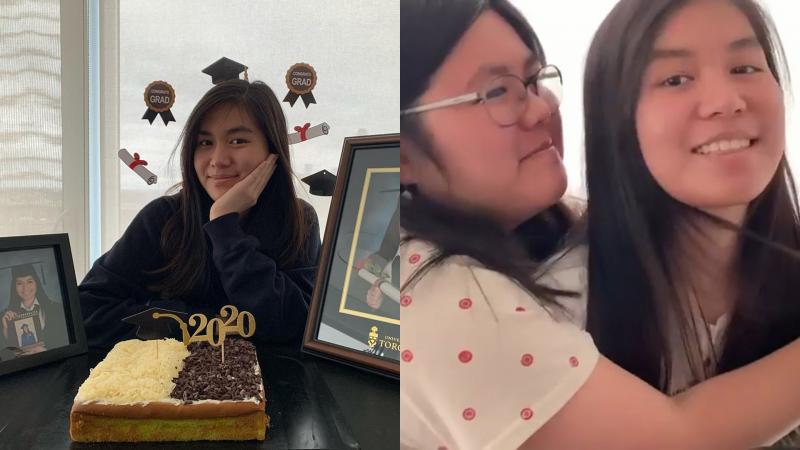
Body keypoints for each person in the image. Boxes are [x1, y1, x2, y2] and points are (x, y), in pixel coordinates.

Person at [400, 1, 800, 449]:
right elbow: (676, 439)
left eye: (534, 81)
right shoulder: (443, 296)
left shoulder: (544, 240)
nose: (539, 109)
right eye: (496, 91)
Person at [560, 0, 800, 446]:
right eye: (675, 79)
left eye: (745, 67)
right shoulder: (559, 309)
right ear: (616, 121)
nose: (726, 101)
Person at [79, 79, 321, 350]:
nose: (218, 159)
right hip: (167, 386)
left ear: (272, 150)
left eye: (238, 140)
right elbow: (88, 312)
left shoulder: (299, 220)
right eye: (205, 142)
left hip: (276, 387)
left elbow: (295, 327)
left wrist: (223, 227)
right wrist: (199, 323)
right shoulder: (163, 218)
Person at [1, 263, 66, 350]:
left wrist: (46, 352)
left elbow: (65, 341)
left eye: (29, 281)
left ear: (37, 283)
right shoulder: (4, 317)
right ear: (14, 286)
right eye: (19, 283)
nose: (25, 288)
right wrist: (5, 329)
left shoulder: (57, 309)